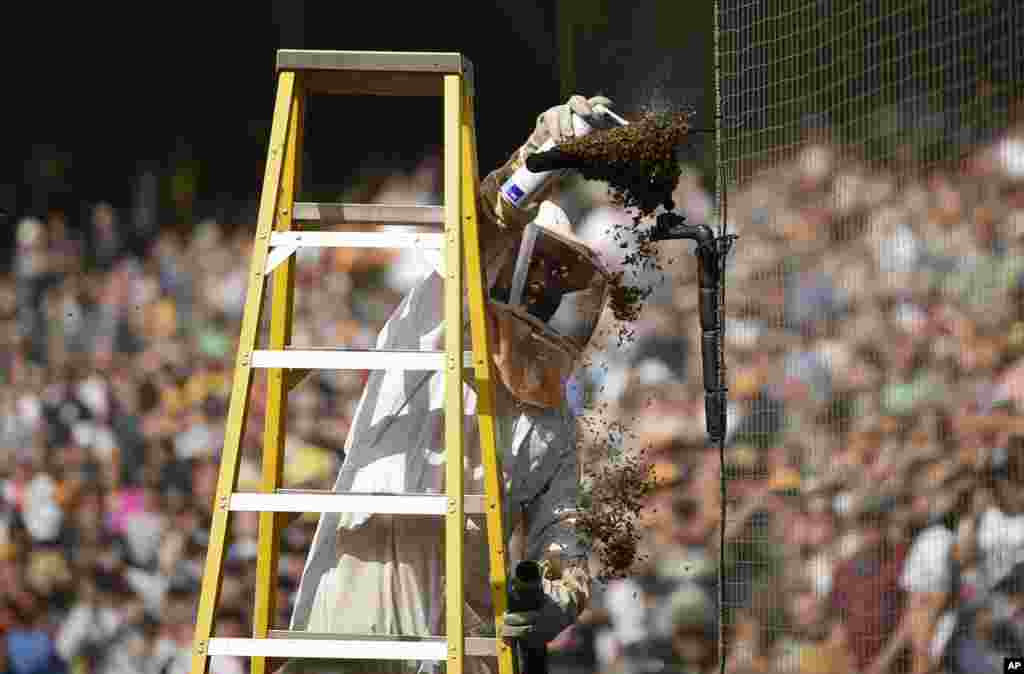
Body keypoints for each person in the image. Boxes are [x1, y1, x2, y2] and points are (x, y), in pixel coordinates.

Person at [281, 94, 617, 674]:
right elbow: (488, 217)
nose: (543, 294)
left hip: (467, 614)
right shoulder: (437, 315)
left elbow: (563, 531)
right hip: (377, 577)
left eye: (556, 286)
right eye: (537, 274)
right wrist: (545, 154)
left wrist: (554, 600)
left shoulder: (551, 420)